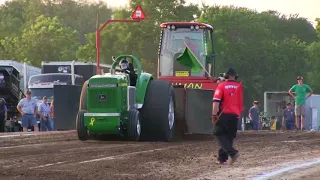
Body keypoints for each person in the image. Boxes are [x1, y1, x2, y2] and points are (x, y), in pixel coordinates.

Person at [212, 68, 243, 165]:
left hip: (224, 114)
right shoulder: (239, 87)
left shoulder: (221, 86)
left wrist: (214, 115)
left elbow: (216, 102)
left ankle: (233, 153)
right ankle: (222, 158)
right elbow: (240, 103)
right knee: (228, 137)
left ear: (226, 76)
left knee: (218, 133)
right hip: (235, 115)